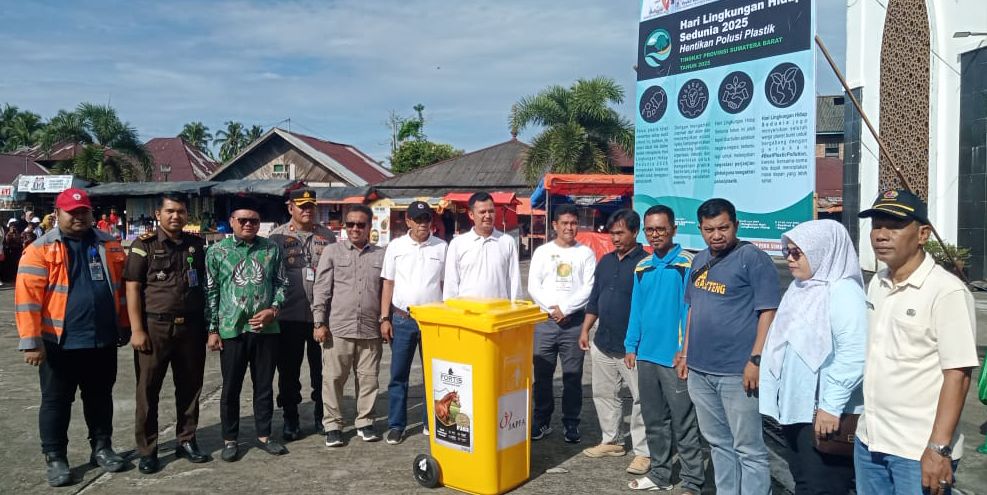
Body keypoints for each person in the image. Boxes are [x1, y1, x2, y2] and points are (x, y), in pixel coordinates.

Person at [854, 189, 978, 495]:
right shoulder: (878, 283)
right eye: (876, 225)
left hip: (917, 450)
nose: (881, 235)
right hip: (870, 440)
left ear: (922, 234)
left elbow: (958, 375)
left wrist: (939, 449)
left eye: (894, 226)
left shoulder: (945, 292)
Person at [14, 188, 130, 487]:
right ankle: (56, 458)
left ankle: (102, 448)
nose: (79, 217)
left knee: (100, 397)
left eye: (84, 212)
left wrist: (124, 324)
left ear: (91, 213)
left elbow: (121, 288)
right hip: (58, 343)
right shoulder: (40, 249)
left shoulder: (107, 243)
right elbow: (27, 300)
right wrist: (31, 342)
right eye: (72, 212)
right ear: (59, 213)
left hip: (102, 340)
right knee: (56, 402)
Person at [677, 198, 779, 495]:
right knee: (718, 444)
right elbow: (692, 308)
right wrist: (685, 352)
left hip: (737, 372)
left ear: (736, 225)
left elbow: (768, 312)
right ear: (700, 229)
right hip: (699, 369)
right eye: (709, 229)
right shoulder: (698, 260)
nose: (716, 235)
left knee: (748, 448)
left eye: (723, 228)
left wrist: (756, 360)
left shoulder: (753, 258)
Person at [759, 219, 866, 494]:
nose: (790, 259)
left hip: (825, 414)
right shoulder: (801, 287)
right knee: (804, 479)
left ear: (823, 251)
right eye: (787, 252)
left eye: (797, 253)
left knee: (823, 485)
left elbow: (855, 353)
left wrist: (831, 406)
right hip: (797, 408)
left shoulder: (843, 292)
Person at [124, 195, 211, 474]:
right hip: (155, 328)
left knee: (190, 387)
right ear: (158, 214)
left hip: (191, 327)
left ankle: (186, 440)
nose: (176, 216)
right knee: (148, 391)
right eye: (170, 211)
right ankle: (148, 450)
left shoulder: (196, 245)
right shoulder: (143, 246)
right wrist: (137, 330)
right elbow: (133, 288)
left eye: (181, 212)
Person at [624, 205, 705, 493]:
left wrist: (684, 351)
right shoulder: (643, 266)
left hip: (674, 358)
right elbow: (636, 308)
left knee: (684, 422)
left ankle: (693, 481)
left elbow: (690, 310)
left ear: (673, 229)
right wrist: (631, 345)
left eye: (661, 229)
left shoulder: (687, 263)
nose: (655, 234)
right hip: (645, 356)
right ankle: (660, 475)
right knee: (654, 420)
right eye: (650, 229)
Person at [205, 201, 289, 462]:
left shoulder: (271, 249)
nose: (248, 224)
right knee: (231, 388)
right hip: (232, 330)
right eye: (242, 220)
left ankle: (264, 435)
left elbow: (282, 283)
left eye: (253, 220)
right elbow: (211, 291)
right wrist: (212, 330)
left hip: (266, 329)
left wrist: (273, 310)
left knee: (264, 385)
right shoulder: (217, 252)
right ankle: (230, 439)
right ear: (232, 222)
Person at [577, 208, 651, 476]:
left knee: (642, 400)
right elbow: (594, 299)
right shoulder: (606, 261)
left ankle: (644, 452)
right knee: (604, 394)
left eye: (621, 232)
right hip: (603, 341)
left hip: (632, 348)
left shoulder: (645, 265)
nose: (616, 238)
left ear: (635, 231)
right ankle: (612, 440)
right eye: (612, 233)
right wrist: (586, 330)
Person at [312, 205, 386, 447]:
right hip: (338, 328)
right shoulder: (332, 251)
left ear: (369, 227)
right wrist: (319, 322)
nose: (355, 228)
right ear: (345, 227)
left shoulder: (381, 255)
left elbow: (387, 290)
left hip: (369, 329)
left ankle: (365, 422)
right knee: (333, 379)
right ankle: (333, 425)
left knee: (368, 379)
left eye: (360, 224)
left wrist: (386, 321)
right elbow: (322, 289)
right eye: (350, 224)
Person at [269, 188, 337, 440]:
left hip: (322, 317)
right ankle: (291, 419)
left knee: (323, 372)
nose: (307, 210)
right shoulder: (276, 237)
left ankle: (322, 416)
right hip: (289, 315)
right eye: (302, 206)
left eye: (311, 205)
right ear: (290, 208)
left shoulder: (327, 236)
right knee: (288, 372)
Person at [527, 204, 596, 444]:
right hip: (544, 323)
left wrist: (565, 310)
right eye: (564, 223)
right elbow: (533, 286)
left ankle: (571, 422)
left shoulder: (585, 253)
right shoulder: (542, 252)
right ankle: (542, 419)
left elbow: (589, 287)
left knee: (572, 376)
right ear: (554, 225)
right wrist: (552, 309)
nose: (569, 227)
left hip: (574, 323)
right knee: (542, 375)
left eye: (573, 223)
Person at [380, 201, 447, 444]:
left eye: (426, 219)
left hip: (432, 321)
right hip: (402, 319)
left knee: (434, 375)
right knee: (398, 375)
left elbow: (445, 285)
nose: (422, 224)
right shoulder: (396, 247)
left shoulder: (441, 247)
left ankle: (432, 421)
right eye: (417, 219)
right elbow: (388, 283)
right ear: (407, 221)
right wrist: (385, 317)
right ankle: (397, 425)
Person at [443, 192, 521, 301]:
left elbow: (514, 282)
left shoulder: (507, 242)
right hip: (467, 313)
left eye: (491, 211)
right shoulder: (458, 244)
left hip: (499, 312)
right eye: (482, 212)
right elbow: (450, 284)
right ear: (471, 214)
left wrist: (516, 309)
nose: (488, 216)